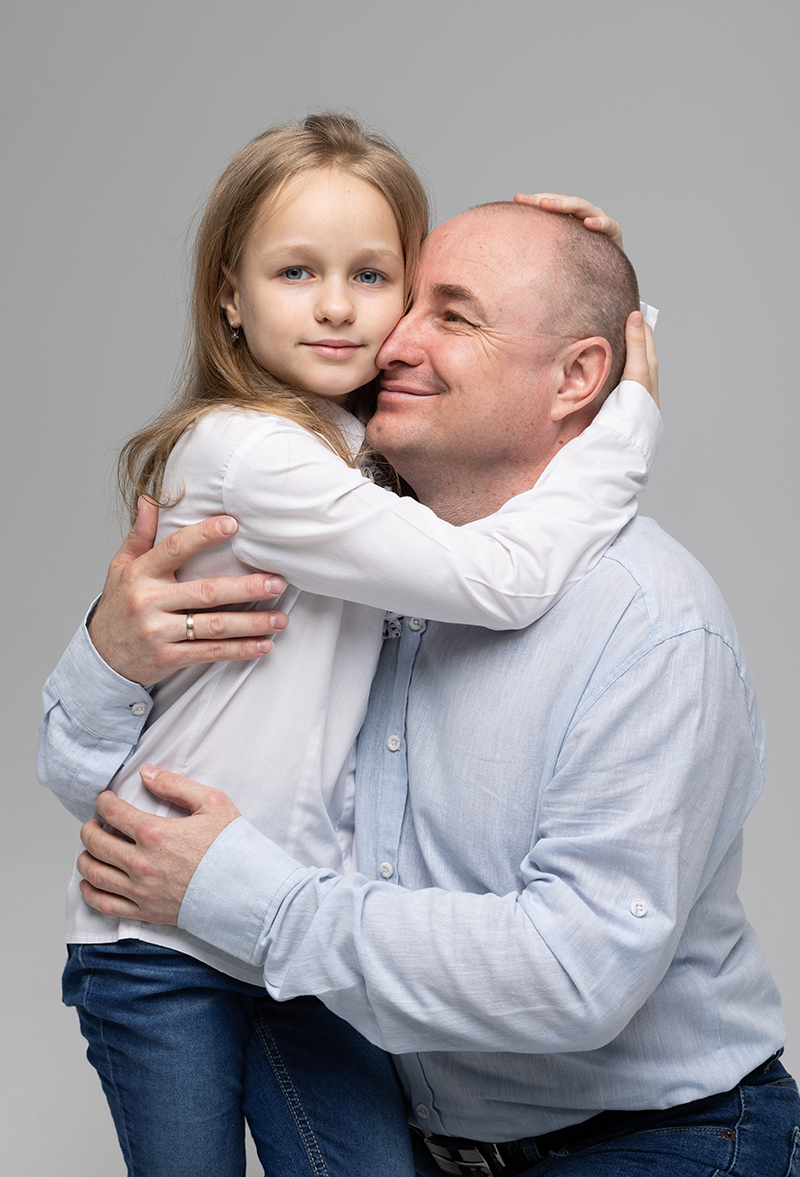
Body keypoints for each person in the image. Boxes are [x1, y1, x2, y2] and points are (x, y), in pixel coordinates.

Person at [48, 197, 799, 1175]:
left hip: (661, 1139)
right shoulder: (338, 566)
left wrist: (242, 894)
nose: (389, 340)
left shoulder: (648, 623)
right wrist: (111, 653)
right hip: (426, 1147)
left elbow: (574, 972)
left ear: (578, 377)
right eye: (405, 301)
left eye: (451, 315)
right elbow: (86, 784)